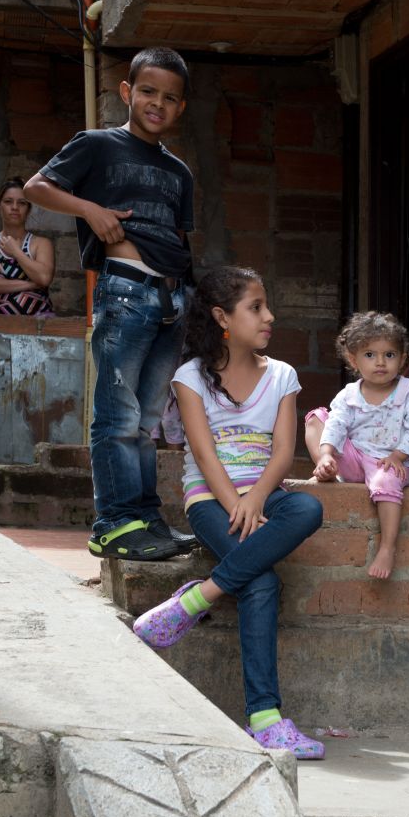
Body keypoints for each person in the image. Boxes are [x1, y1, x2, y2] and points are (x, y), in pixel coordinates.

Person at [130, 266, 326, 760]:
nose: (269, 316)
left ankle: (196, 600)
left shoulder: (282, 375)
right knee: (262, 581)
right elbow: (201, 451)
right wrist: (234, 501)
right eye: (255, 307)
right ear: (222, 316)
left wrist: (257, 498)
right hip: (211, 499)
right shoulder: (190, 376)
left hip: (265, 494)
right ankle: (265, 718)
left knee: (305, 507)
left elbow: (284, 453)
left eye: (266, 306)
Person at [25, 47, 197, 562]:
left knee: (147, 422)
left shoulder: (180, 172)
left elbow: (182, 239)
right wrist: (90, 211)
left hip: (172, 299)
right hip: (124, 291)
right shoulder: (98, 145)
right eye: (148, 92)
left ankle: (145, 519)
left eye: (169, 98)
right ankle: (113, 523)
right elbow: (38, 187)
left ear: (180, 108)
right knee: (118, 417)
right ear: (127, 92)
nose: (156, 104)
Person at [303, 312, 409, 579]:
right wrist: (327, 453)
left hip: (390, 461)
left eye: (390, 355)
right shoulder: (349, 394)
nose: (381, 362)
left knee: (386, 483)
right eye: (370, 355)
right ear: (354, 359)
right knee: (317, 418)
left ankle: (386, 548)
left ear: (403, 358)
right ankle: (325, 468)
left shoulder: (408, 390)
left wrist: (398, 455)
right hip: (355, 458)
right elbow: (337, 425)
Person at [0, 178, 54, 316]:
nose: (14, 207)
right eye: (8, 201)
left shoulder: (41, 243)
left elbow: (43, 278)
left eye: (22, 203)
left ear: (29, 209)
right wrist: (31, 284)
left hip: (40, 325)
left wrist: (16, 252)